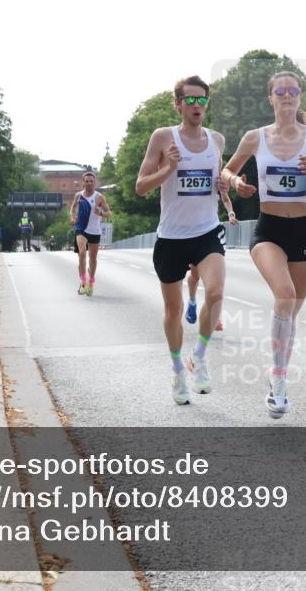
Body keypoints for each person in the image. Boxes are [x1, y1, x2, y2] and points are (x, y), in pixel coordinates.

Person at [220, 71, 306, 419]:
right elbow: (225, 173)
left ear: (300, 97)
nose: (286, 95)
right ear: (270, 98)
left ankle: (279, 370)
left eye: (292, 90)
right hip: (269, 229)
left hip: (304, 230)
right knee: (285, 295)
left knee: (290, 312)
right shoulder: (255, 138)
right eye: (280, 91)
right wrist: (236, 183)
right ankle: (278, 385)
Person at [136, 75, 227, 406]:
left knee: (215, 293)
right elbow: (141, 186)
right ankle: (177, 371)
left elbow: (220, 176)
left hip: (207, 231)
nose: (196, 105)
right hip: (171, 236)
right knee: (173, 310)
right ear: (178, 104)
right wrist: (169, 169)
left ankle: (198, 357)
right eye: (190, 100)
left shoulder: (216, 140)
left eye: (202, 100)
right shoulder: (163, 137)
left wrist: (229, 184)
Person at [186, 190, 238, 328]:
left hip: (211, 234)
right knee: (195, 275)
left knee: (215, 282)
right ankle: (192, 301)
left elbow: (226, 199)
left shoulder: (216, 177)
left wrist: (231, 214)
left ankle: (215, 316)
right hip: (191, 233)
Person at [71, 171, 111, 296]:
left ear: (95, 182)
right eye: (86, 181)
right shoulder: (78, 195)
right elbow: (72, 208)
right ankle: (83, 282)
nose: (89, 183)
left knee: (92, 259)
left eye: (91, 181)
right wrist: (72, 218)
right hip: (81, 228)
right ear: (83, 182)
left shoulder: (99, 197)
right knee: (82, 253)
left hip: (94, 230)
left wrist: (101, 213)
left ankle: (91, 282)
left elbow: (109, 212)